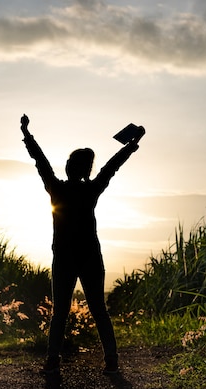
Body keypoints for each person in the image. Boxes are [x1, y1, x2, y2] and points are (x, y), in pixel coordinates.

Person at [20, 114, 143, 375]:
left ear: (68, 166)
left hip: (64, 258)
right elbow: (112, 166)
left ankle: (53, 360)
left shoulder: (56, 188)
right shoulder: (91, 190)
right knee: (99, 309)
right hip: (89, 257)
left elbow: (40, 161)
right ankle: (111, 359)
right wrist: (131, 145)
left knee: (60, 313)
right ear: (87, 170)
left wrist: (27, 134)